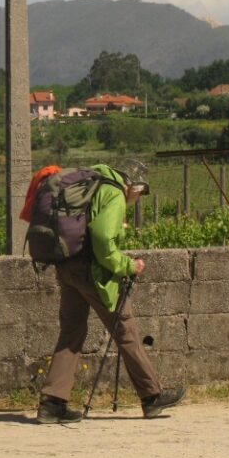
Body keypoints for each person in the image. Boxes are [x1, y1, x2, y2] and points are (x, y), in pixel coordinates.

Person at [35, 161, 185, 423]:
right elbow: (103, 238)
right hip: (90, 271)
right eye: (140, 193)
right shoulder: (114, 193)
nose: (137, 199)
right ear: (133, 186)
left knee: (71, 333)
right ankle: (152, 396)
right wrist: (127, 265)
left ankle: (52, 403)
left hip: (66, 266)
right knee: (125, 329)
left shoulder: (93, 183)